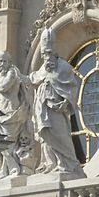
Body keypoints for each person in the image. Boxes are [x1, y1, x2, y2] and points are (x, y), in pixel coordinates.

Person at [30, 38, 82, 177]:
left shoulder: (63, 66)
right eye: (44, 55)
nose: (46, 57)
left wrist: (66, 101)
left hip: (57, 109)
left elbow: (72, 86)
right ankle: (50, 163)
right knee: (45, 135)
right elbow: (34, 79)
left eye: (48, 53)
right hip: (43, 109)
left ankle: (69, 163)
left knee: (61, 135)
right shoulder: (44, 68)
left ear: (54, 52)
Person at [0, 51, 36, 176]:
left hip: (12, 113)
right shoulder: (1, 75)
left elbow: (4, 87)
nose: (2, 64)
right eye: (0, 61)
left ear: (10, 63)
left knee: (8, 142)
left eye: (4, 61)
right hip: (1, 113)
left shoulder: (12, 72)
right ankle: (1, 167)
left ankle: (9, 169)